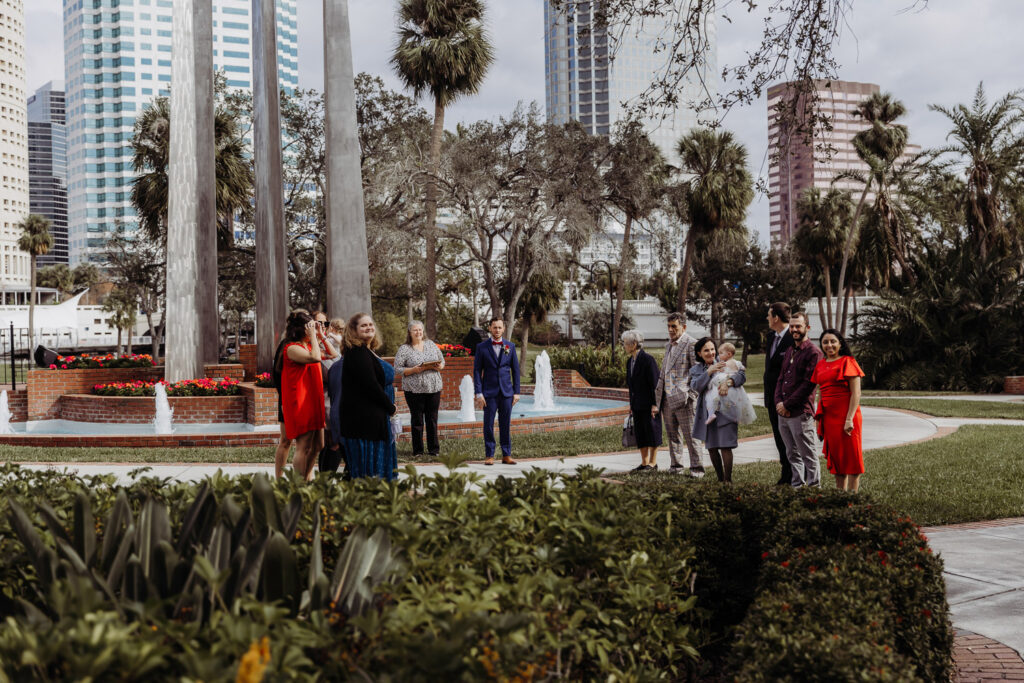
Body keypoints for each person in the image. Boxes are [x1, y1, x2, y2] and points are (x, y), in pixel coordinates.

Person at [339, 313, 398, 481]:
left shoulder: (366, 351)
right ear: (353, 331)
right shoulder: (357, 353)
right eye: (363, 326)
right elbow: (370, 385)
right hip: (364, 423)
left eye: (370, 324)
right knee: (367, 474)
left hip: (374, 420)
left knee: (373, 473)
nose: (369, 328)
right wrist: (391, 407)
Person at [774, 312, 824, 488]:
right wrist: (779, 403)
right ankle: (797, 486)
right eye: (792, 326)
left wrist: (787, 405)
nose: (794, 330)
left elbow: (808, 385)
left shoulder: (814, 353)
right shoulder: (789, 350)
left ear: (807, 328)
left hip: (800, 412)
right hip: (783, 412)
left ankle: (814, 489)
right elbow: (781, 379)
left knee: (807, 453)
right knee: (791, 453)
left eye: (798, 326)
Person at [652, 312, 706, 477]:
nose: (670, 329)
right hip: (667, 399)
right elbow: (665, 372)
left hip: (685, 400)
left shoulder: (691, 344)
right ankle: (676, 466)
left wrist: (691, 395)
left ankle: (697, 469)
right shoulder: (669, 345)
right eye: (668, 326)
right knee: (672, 435)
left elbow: (697, 372)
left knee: (691, 436)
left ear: (683, 327)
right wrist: (658, 399)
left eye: (673, 326)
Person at [275, 310, 326, 480]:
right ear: (302, 329)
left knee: (319, 444)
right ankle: (298, 485)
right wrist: (313, 335)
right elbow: (316, 358)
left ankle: (305, 477)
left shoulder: (308, 345)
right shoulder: (291, 348)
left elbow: (332, 354)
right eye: (310, 326)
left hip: (314, 400)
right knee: (302, 446)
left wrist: (320, 335)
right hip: (301, 401)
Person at [812, 328, 865, 492]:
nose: (829, 345)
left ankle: (853, 499)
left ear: (840, 343)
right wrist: (817, 419)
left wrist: (849, 419)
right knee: (837, 460)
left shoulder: (848, 361)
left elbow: (856, 393)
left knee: (852, 458)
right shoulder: (821, 364)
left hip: (847, 416)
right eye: (825, 342)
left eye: (833, 341)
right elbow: (821, 392)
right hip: (829, 418)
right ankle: (840, 497)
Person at [691, 338, 747, 483]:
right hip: (709, 413)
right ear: (699, 353)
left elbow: (741, 375)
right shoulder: (696, 370)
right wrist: (708, 372)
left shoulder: (724, 361)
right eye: (706, 350)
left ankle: (728, 480)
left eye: (712, 349)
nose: (711, 353)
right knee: (712, 447)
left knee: (726, 446)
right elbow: (696, 386)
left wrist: (728, 383)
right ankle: (720, 479)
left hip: (726, 409)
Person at [393, 320, 445, 458]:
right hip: (414, 389)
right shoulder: (404, 349)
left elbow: (442, 361)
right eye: (415, 330)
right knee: (417, 420)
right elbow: (397, 369)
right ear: (410, 332)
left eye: (420, 330)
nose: (418, 332)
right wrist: (413, 370)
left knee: (432, 419)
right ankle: (418, 451)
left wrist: (439, 366)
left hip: (434, 387)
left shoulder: (431, 344)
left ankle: (434, 450)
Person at [473, 317, 520, 465]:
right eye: (495, 327)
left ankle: (506, 454)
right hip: (489, 393)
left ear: (504, 329)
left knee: (505, 424)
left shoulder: (510, 346)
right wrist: (479, 393)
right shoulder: (482, 347)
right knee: (488, 424)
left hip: (507, 392)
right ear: (490, 328)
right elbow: (476, 371)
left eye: (500, 327)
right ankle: (489, 455)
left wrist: (516, 392)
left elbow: (516, 371)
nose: (497, 330)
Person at [764, 302, 795, 486]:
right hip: (771, 398)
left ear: (775, 317)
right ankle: (786, 475)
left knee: (790, 440)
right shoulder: (770, 337)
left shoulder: (792, 338)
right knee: (778, 438)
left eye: (769, 315)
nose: (767, 318)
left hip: (786, 399)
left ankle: (796, 476)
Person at [623, 330, 662, 471]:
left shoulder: (648, 360)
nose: (624, 346)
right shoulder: (630, 362)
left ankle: (653, 463)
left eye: (625, 343)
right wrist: (631, 404)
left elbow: (655, 384)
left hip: (649, 404)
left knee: (652, 432)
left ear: (634, 344)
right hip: (637, 404)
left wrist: (655, 405)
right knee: (641, 433)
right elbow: (631, 385)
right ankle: (644, 463)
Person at [703, 342, 756, 426]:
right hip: (734, 388)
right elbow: (742, 369)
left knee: (711, 396)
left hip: (724, 380)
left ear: (728, 354)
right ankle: (734, 415)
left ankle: (711, 413)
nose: (718, 355)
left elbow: (741, 376)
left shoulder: (723, 363)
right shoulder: (737, 362)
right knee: (734, 401)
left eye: (720, 353)